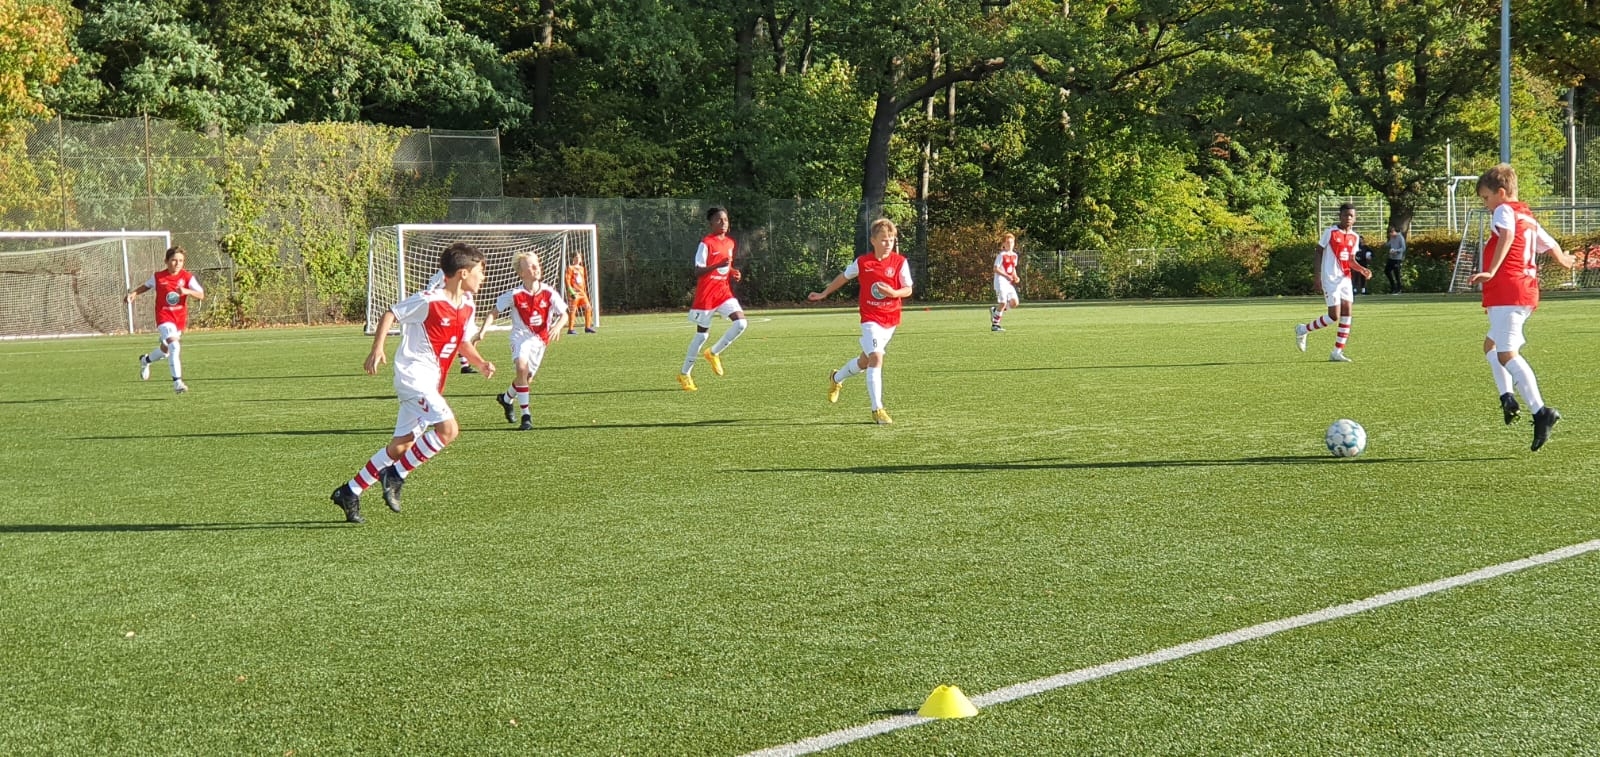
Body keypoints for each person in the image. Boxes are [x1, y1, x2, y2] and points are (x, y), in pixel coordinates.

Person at [330, 243, 496, 524]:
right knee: (448, 429)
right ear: (463, 273)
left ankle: (350, 491)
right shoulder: (429, 300)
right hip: (413, 377)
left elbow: (461, 342)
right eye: (481, 271)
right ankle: (396, 475)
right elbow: (391, 313)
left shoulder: (467, 306)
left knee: (402, 445)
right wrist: (377, 348)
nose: (484, 276)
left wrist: (479, 363)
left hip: (431, 382)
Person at [1467, 163, 1576, 451]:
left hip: (1509, 290)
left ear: (1501, 193)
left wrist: (1491, 270)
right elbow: (1548, 242)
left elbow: (1506, 236)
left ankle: (1541, 412)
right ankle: (1507, 397)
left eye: (1486, 197)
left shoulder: (1504, 211)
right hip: (1521, 291)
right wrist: (1564, 259)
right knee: (1491, 346)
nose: (1486, 204)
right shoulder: (1526, 215)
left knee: (1506, 354)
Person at [808, 218, 913, 425]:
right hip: (870, 319)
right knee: (876, 357)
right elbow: (843, 277)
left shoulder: (900, 262)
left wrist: (893, 293)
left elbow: (908, 288)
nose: (888, 243)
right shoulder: (863, 262)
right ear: (873, 240)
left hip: (891, 320)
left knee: (865, 361)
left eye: (891, 239)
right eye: (884, 239)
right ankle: (877, 409)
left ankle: (836, 378)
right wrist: (824, 293)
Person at [488, 252, 567, 431]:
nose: (536, 268)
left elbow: (564, 314)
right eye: (530, 266)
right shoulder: (515, 294)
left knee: (526, 378)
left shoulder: (548, 292)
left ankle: (506, 399)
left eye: (536, 264)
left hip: (539, 340)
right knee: (521, 369)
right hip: (520, 337)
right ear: (521, 273)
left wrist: (557, 326)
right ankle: (526, 416)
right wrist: (482, 331)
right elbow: (494, 311)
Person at [677, 206, 747, 391]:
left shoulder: (730, 243)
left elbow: (726, 266)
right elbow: (698, 271)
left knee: (741, 323)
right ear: (711, 223)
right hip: (706, 296)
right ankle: (684, 374)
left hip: (723, 293)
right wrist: (717, 265)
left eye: (726, 220)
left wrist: (733, 272)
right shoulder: (706, 243)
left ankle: (713, 352)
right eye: (719, 220)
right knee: (702, 335)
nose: (723, 223)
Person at [1294, 203, 1372, 362]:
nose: (1348, 218)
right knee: (1333, 316)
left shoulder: (1355, 237)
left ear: (1355, 218)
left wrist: (1362, 269)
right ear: (1340, 216)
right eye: (1345, 215)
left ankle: (1337, 352)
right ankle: (1303, 329)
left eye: (1351, 215)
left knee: (1347, 313)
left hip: (1345, 279)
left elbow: (1350, 260)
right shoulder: (1330, 232)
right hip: (1330, 278)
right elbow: (1318, 252)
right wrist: (1317, 276)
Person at [126, 246, 204, 394]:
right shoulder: (159, 277)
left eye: (181, 260)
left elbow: (201, 294)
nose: (178, 263)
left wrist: (187, 291)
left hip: (179, 319)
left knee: (166, 350)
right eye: (174, 260)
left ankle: (145, 360)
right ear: (166, 261)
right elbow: (146, 286)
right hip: (164, 318)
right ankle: (177, 383)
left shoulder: (187, 277)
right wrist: (134, 293)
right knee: (174, 346)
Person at [426, 268, 485, 374]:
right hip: (446, 309)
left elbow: (465, 290)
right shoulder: (444, 271)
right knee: (452, 338)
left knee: (466, 336)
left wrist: (468, 298)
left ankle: (465, 365)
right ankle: (436, 362)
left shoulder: (466, 275)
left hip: (461, 308)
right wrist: (430, 299)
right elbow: (432, 284)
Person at [990, 233, 1020, 331]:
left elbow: (1013, 268)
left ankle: (996, 311)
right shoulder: (1001, 255)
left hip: (1008, 283)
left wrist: (1015, 276)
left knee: (1014, 303)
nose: (1010, 244)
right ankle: (995, 325)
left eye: (1011, 242)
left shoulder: (1015, 255)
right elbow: (995, 269)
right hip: (1000, 281)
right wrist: (1006, 276)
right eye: (1007, 242)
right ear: (1003, 244)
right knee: (1003, 302)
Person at [564, 258, 596, 335]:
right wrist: (571, 291)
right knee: (573, 310)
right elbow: (567, 280)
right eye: (576, 258)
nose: (578, 259)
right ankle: (570, 329)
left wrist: (584, 291)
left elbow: (583, 281)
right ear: (573, 259)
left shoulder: (582, 268)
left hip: (582, 293)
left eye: (579, 258)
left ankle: (587, 327)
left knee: (588, 307)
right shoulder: (570, 268)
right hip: (574, 293)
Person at [1384, 227, 1406, 294]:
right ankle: (1393, 286)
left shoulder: (1400, 237)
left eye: (1391, 233)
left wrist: (1396, 251)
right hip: (1391, 258)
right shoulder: (1392, 237)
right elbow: (1389, 244)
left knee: (1397, 274)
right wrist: (1385, 244)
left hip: (1397, 258)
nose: (1390, 235)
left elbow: (1403, 248)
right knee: (1386, 271)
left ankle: (1399, 289)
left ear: (1394, 232)